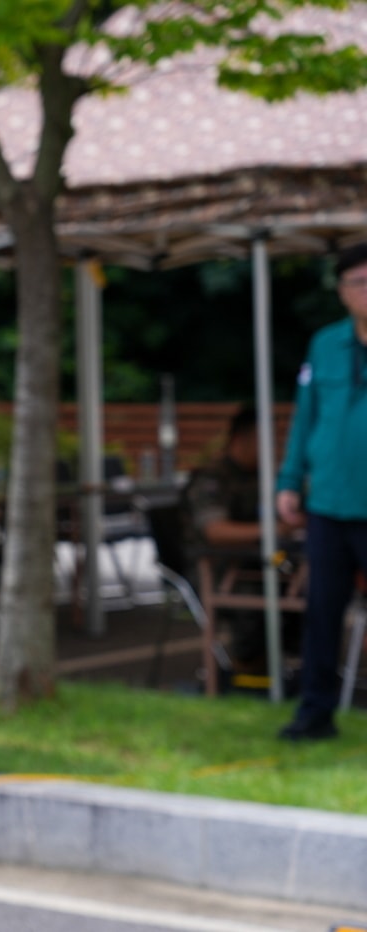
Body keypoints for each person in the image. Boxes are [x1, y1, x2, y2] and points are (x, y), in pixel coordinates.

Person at [275, 243, 367, 741]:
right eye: (359, 283)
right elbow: (305, 417)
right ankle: (315, 714)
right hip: (329, 504)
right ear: (342, 292)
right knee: (322, 613)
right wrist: (289, 480)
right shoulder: (325, 345)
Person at [182, 404, 295, 675]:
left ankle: (291, 664)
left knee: (300, 583)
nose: (271, 448)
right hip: (213, 569)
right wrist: (271, 530)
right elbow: (215, 532)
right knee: (255, 596)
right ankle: (249, 671)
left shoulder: (265, 476)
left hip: (260, 561)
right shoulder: (213, 478)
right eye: (264, 440)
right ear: (241, 439)